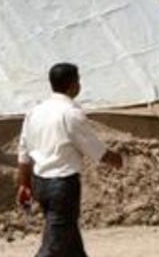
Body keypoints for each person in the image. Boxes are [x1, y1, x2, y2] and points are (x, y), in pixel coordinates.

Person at [16, 63, 124, 257]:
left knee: (71, 244)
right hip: (62, 187)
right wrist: (116, 159)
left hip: (41, 183)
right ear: (73, 85)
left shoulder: (34, 112)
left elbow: (24, 153)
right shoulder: (71, 114)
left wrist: (24, 185)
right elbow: (95, 149)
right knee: (54, 246)